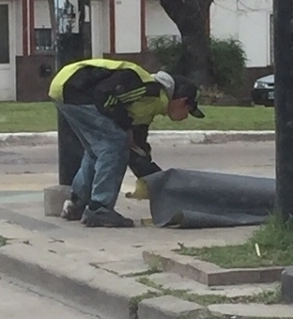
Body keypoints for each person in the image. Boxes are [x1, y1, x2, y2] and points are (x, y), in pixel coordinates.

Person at [48, 58, 205, 228]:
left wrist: (156, 182)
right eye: (188, 110)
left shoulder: (151, 106)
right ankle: (99, 209)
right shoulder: (146, 89)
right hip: (75, 87)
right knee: (114, 145)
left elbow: (137, 151)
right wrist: (124, 126)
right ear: (182, 101)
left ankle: (77, 204)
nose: (186, 117)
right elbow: (104, 95)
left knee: (97, 150)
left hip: (66, 88)